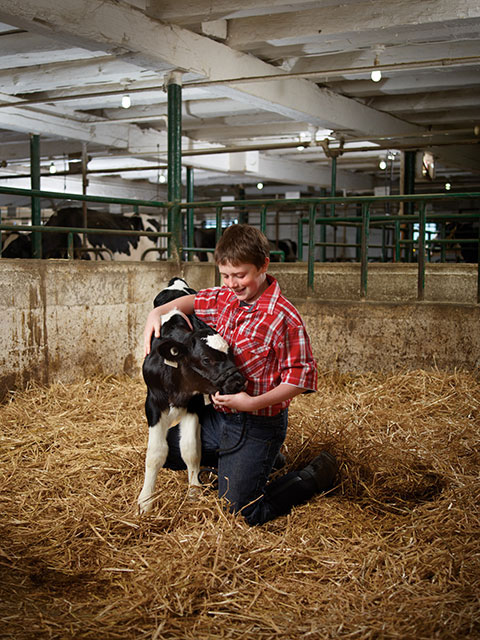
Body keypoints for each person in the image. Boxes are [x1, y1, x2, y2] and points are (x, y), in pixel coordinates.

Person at [143, 224, 338, 526]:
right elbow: (190, 302)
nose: (232, 283)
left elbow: (301, 378)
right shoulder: (225, 298)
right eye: (225, 275)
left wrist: (252, 403)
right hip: (219, 419)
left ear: (263, 266)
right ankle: (264, 461)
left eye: (241, 275)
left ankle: (311, 477)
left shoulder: (282, 317)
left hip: (259, 422)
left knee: (239, 513)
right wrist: (155, 314)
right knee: (167, 451)